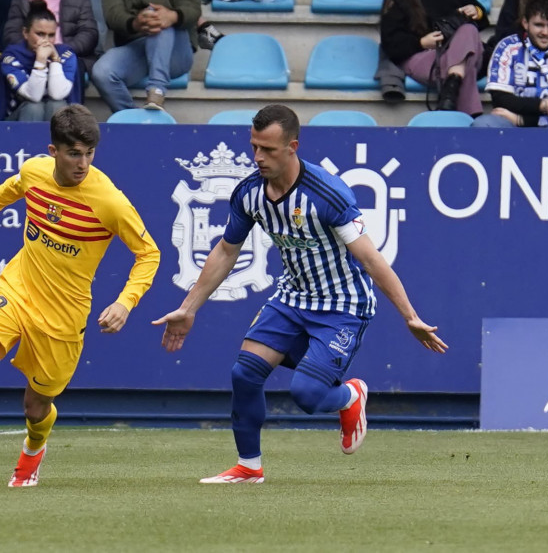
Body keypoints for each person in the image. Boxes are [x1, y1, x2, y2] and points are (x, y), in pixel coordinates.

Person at [154, 105, 447, 484]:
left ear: (292, 146)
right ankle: (249, 468)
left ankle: (351, 397)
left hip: (343, 306)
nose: (258, 157)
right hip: (292, 298)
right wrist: (188, 308)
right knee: (244, 374)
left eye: (269, 150)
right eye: (254, 147)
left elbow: (372, 260)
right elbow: (227, 250)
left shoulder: (328, 194)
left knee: (307, 395)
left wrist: (410, 316)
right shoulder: (248, 193)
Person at [0, 104, 160, 488]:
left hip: (63, 318)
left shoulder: (110, 202)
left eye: (89, 154)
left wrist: (125, 301)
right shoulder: (35, 171)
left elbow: (149, 253)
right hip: (17, 290)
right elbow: (12, 189)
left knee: (36, 407)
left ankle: (33, 453)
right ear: (53, 151)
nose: (82, 163)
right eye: (73, 153)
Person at [380, 0, 489, 116]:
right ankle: (470, 116)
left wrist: (477, 12)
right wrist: (421, 42)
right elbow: (390, 42)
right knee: (468, 61)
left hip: (457, 50)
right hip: (422, 57)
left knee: (468, 30)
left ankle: (451, 89)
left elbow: (481, 20)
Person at [92, 0, 200, 112]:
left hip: (175, 51)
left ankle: (157, 90)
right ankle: (131, 119)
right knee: (102, 72)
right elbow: (113, 16)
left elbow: (193, 8)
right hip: (138, 48)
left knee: (155, 16)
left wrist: (172, 16)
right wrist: (136, 23)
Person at [473, 0, 548, 128]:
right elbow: (501, 99)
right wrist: (546, 105)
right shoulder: (507, 47)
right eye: (539, 25)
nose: (545, 32)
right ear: (525, 23)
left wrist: (522, 120)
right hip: (511, 120)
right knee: (483, 124)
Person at [4, 0, 99, 78]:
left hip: (68, 55)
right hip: (31, 55)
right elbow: (11, 32)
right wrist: (34, 50)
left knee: (75, 67)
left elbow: (89, 33)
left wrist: (63, 50)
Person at [0, 0, 80, 121]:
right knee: (34, 107)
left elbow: (57, 94)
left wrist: (54, 60)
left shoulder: (66, 54)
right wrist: (41, 61)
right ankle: (28, 141)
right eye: (40, 34)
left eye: (51, 35)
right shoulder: (11, 57)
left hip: (56, 114)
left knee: (57, 105)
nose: (46, 40)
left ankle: (55, 141)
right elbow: (34, 95)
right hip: (14, 123)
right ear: (25, 33)